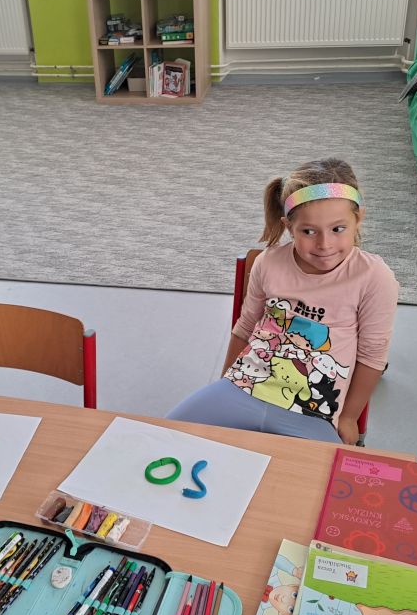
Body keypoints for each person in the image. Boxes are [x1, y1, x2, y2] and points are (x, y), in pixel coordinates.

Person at [167, 158, 398, 444]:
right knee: (164, 438)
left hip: (313, 410)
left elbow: (372, 356)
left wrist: (349, 417)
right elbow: (245, 328)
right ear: (289, 226)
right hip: (244, 386)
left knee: (317, 472)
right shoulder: (268, 262)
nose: (324, 244)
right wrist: (225, 383)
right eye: (308, 231)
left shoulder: (375, 277)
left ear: (358, 218)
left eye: (338, 229)